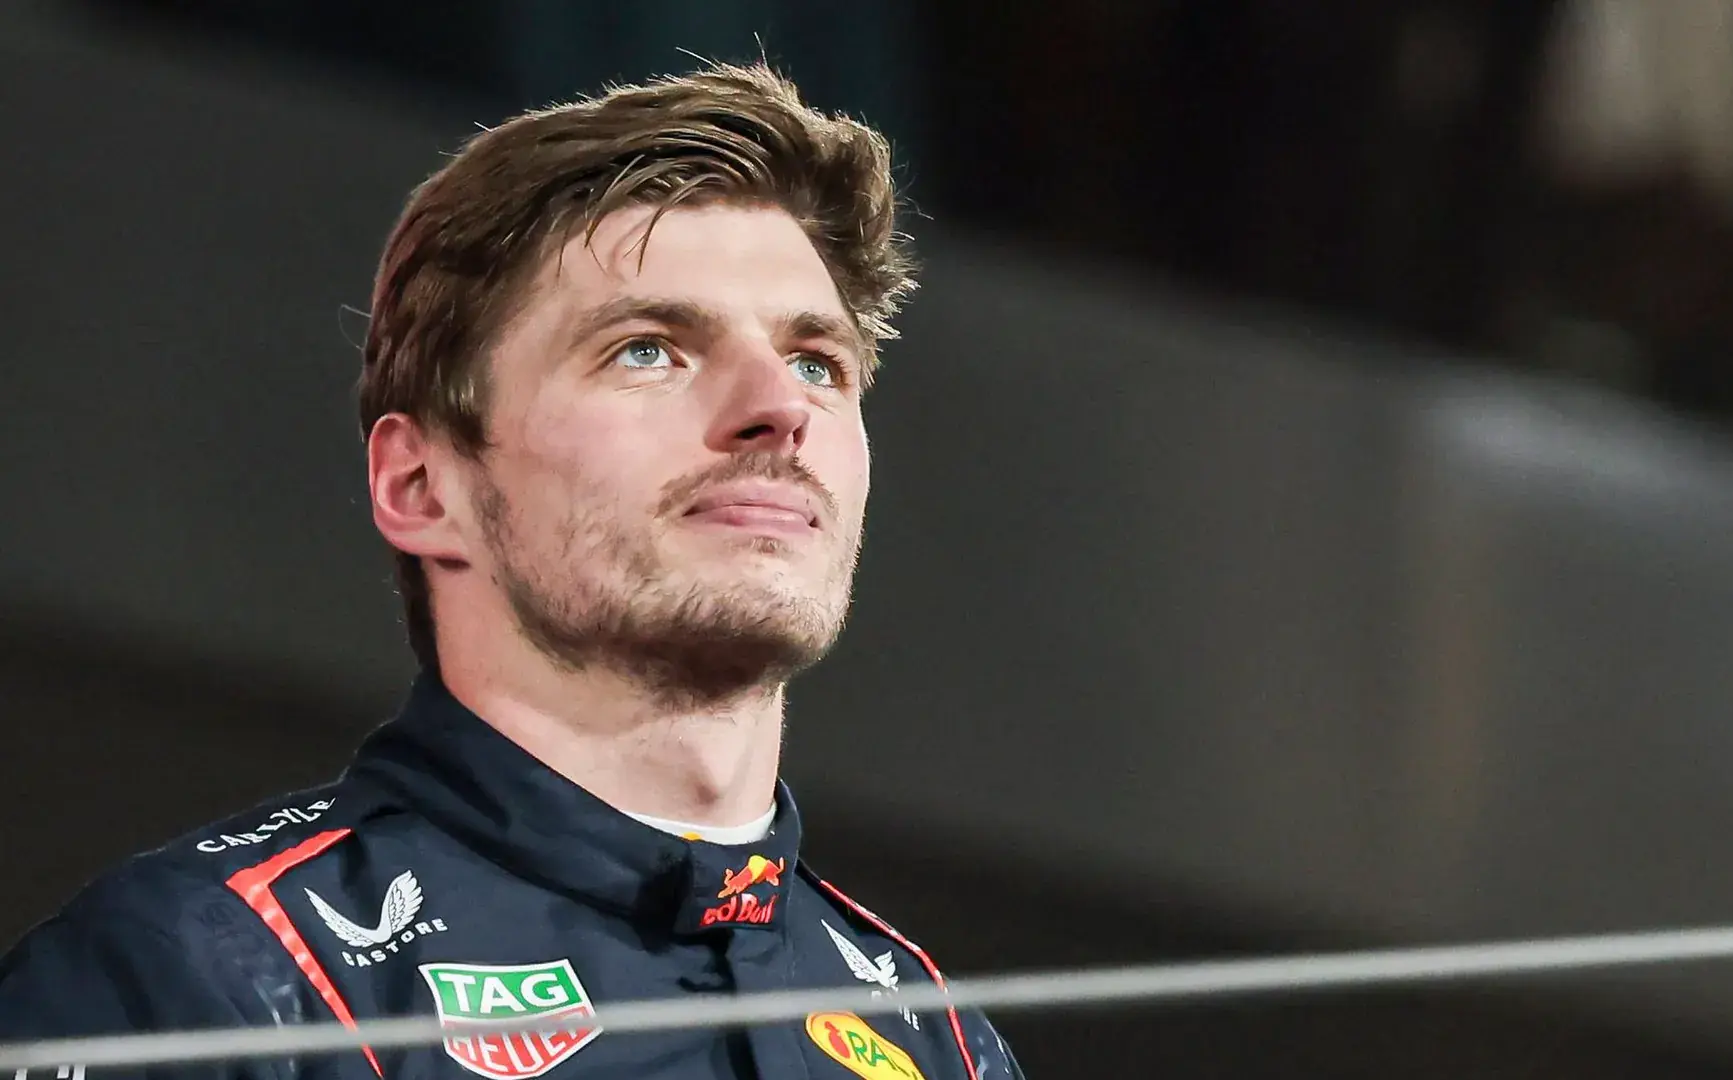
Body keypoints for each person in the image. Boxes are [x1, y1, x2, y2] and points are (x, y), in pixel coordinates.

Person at [0, 62, 1023, 1080]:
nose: (780, 408)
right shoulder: (201, 982)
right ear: (421, 487)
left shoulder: (944, 1045)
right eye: (648, 350)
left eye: (816, 363)